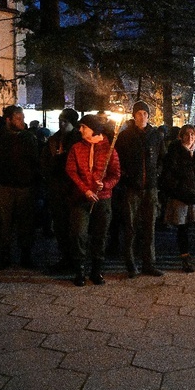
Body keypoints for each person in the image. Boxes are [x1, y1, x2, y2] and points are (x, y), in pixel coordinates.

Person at [0, 105, 39, 269]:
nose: (22, 122)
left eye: (22, 119)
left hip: (24, 187)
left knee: (26, 222)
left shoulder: (28, 137)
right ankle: (4, 255)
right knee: (2, 222)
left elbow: (35, 161)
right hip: (3, 186)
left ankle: (25, 255)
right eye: (18, 119)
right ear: (8, 120)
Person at [66, 115, 120, 286]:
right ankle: (80, 270)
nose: (80, 130)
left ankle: (97, 270)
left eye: (83, 127)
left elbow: (115, 174)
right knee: (78, 234)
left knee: (100, 235)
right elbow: (71, 170)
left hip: (102, 199)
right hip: (81, 199)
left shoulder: (109, 149)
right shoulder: (76, 148)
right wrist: (86, 189)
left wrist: (104, 185)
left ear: (93, 128)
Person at [114, 101, 166, 278]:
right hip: (132, 188)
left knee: (149, 226)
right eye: (139, 113)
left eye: (145, 113)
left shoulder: (156, 136)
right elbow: (118, 160)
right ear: (134, 116)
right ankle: (131, 263)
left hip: (150, 188)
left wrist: (156, 174)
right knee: (130, 226)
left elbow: (161, 159)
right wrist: (127, 176)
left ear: (148, 116)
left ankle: (149, 263)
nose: (142, 116)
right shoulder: (125, 136)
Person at [161, 125, 195, 273]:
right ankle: (185, 259)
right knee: (183, 229)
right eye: (187, 135)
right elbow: (169, 177)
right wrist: (180, 191)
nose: (190, 138)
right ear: (181, 136)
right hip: (182, 198)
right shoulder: (174, 154)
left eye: (192, 135)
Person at [40, 108, 81, 272]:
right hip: (57, 189)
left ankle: (76, 259)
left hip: (73, 190)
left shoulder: (78, 141)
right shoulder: (54, 140)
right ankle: (65, 257)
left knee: (75, 228)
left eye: (65, 121)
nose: (61, 124)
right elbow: (44, 162)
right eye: (60, 121)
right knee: (60, 226)